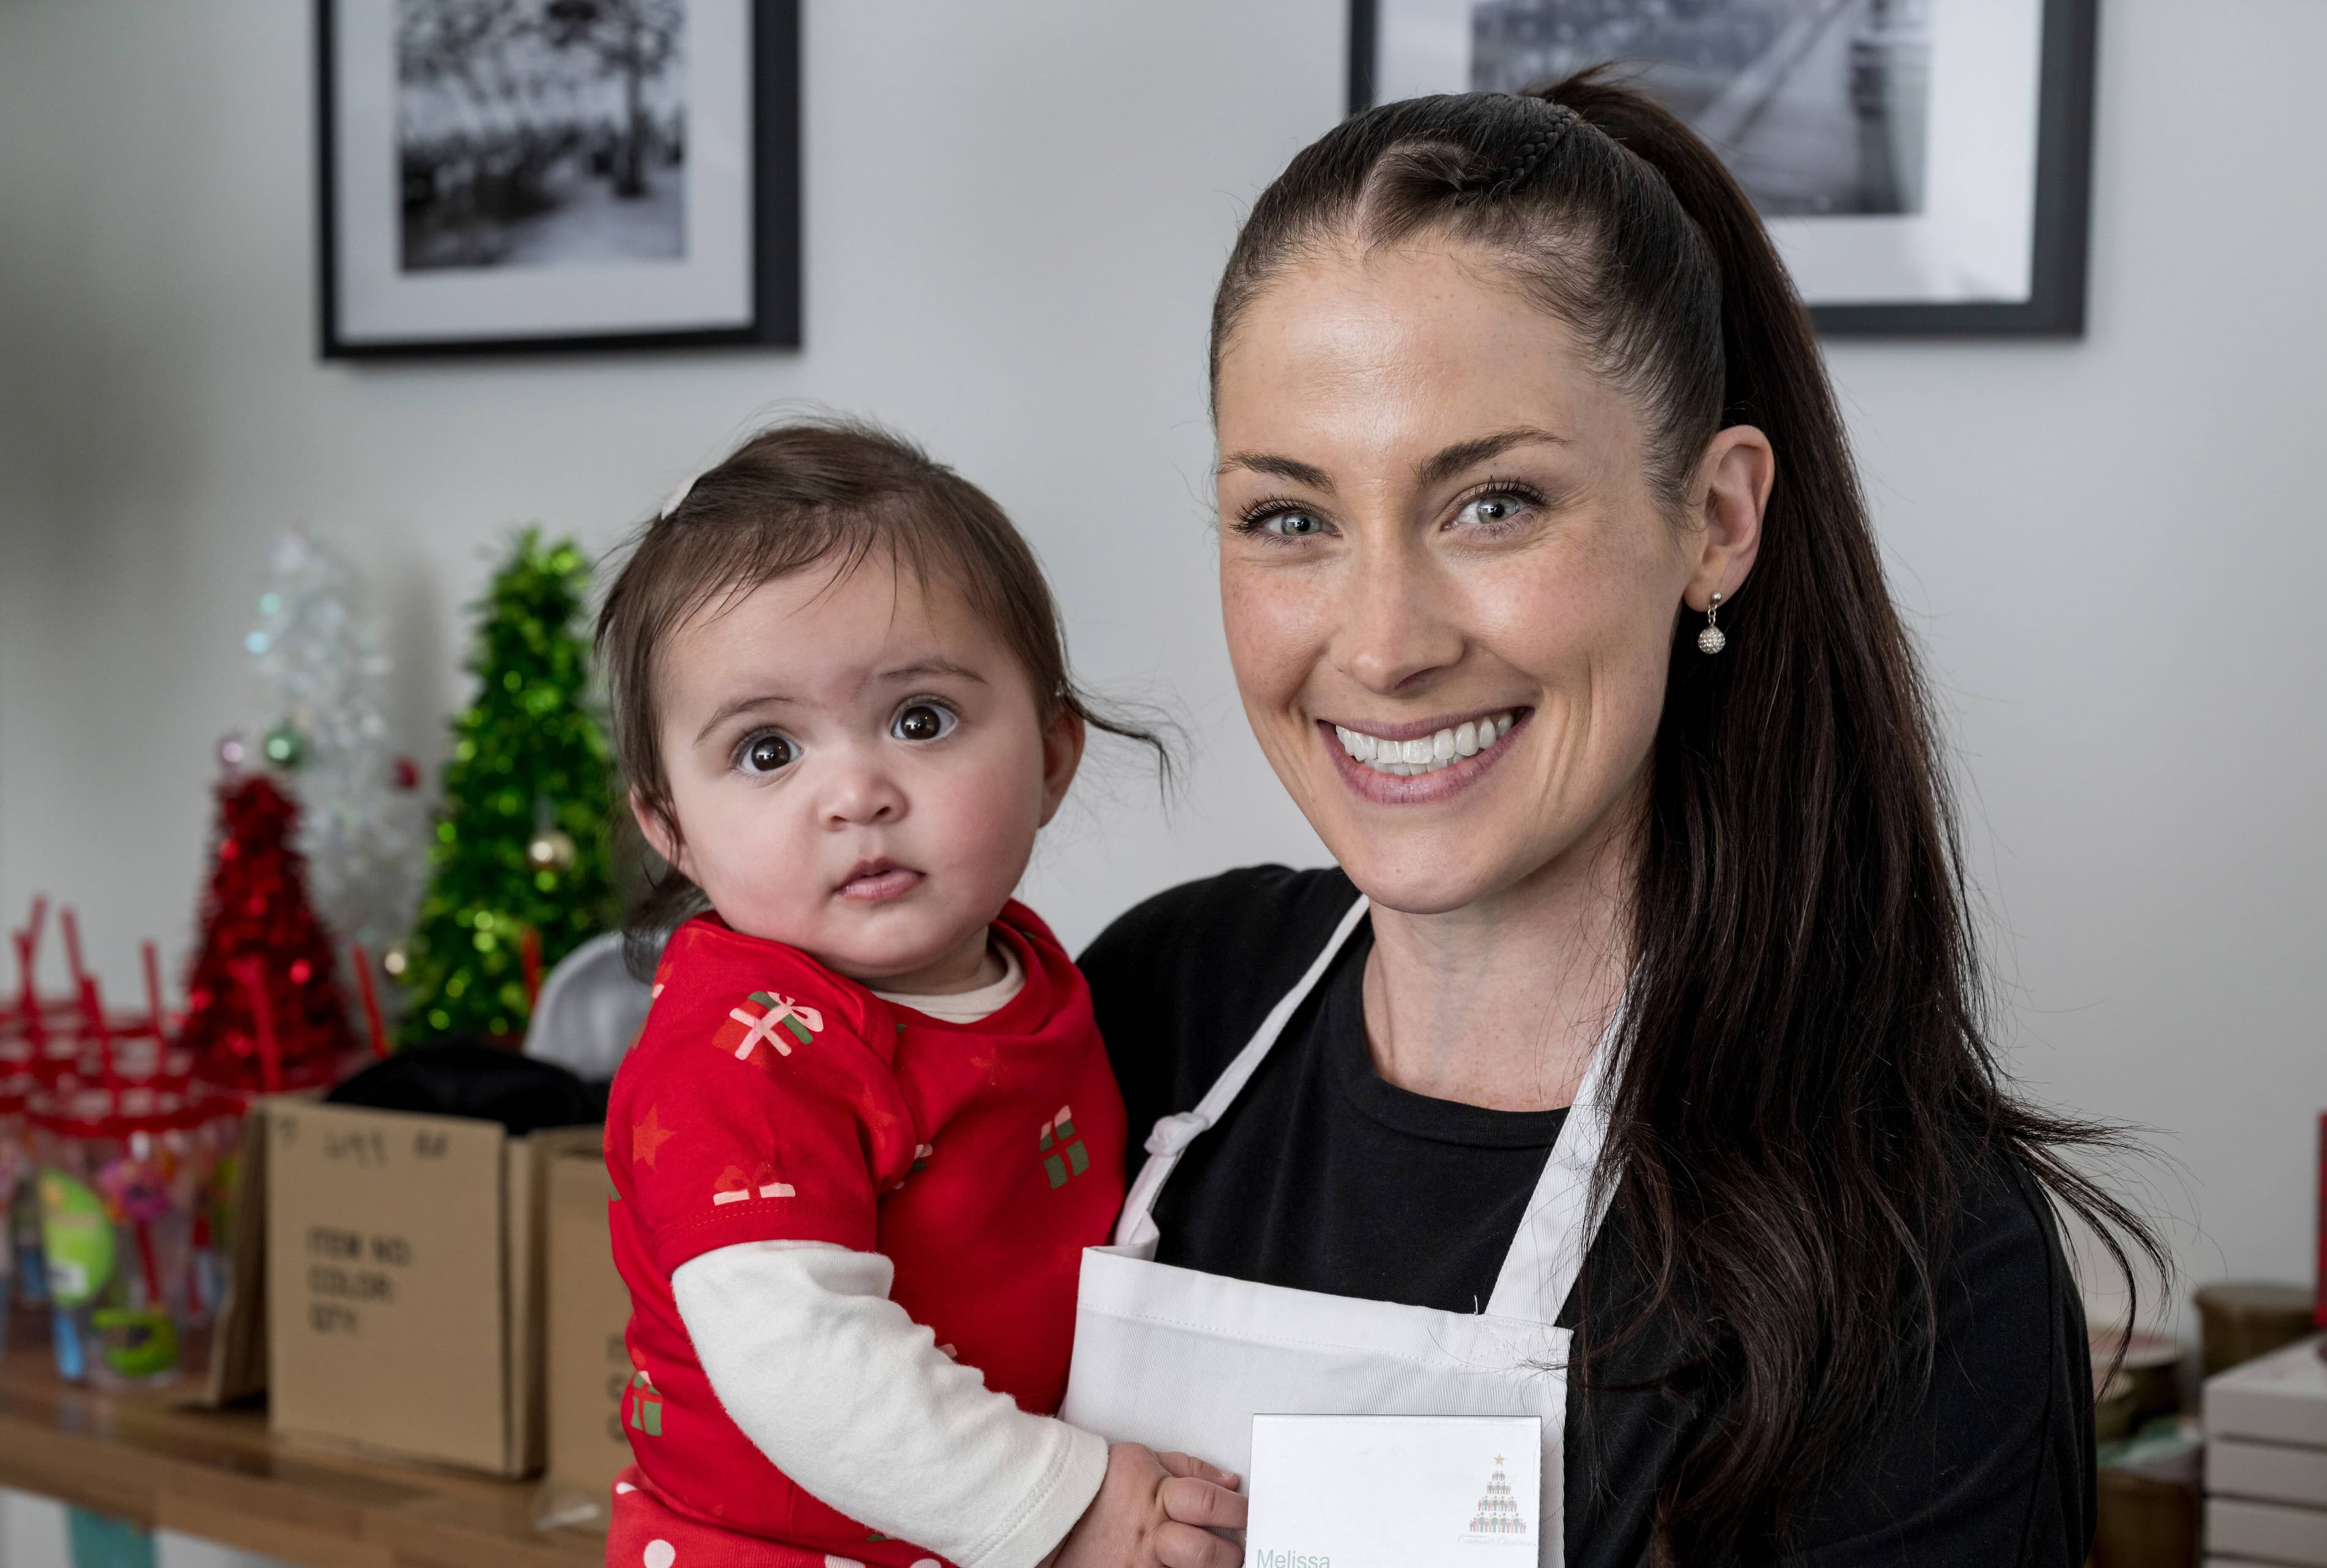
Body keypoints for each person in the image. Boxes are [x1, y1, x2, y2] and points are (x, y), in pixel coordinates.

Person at [1068, 74, 2162, 1567]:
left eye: (1494, 504)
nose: (1382, 644)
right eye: (1291, 517)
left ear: (1716, 521)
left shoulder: (1904, 1255)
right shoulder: (1153, 1008)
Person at [595, 423, 1245, 1568]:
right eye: (765, 751)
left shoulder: (1038, 972)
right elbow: (802, 1354)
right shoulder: (743, 1049)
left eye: (920, 720)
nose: (855, 792)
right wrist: (1073, 1501)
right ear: (672, 826)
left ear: (1052, 757)